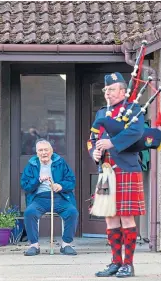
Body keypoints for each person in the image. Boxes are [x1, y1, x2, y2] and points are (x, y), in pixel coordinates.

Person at [87, 72, 146, 278]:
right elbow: (92, 138)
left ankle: (128, 265)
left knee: (126, 217)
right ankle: (115, 262)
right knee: (110, 218)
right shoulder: (101, 113)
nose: (108, 93)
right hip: (106, 170)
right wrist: (94, 152)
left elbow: (137, 132)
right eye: (106, 90)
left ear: (122, 90)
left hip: (126, 168)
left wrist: (112, 143)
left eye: (111, 89)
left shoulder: (133, 109)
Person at [21, 139, 78, 256]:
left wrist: (60, 186)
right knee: (29, 213)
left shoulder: (60, 163)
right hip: (39, 199)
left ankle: (66, 244)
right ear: (37, 153)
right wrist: (37, 180)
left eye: (46, 150)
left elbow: (71, 181)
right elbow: (25, 185)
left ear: (51, 151)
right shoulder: (32, 165)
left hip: (59, 197)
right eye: (40, 150)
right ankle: (34, 245)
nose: (43, 153)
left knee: (72, 212)